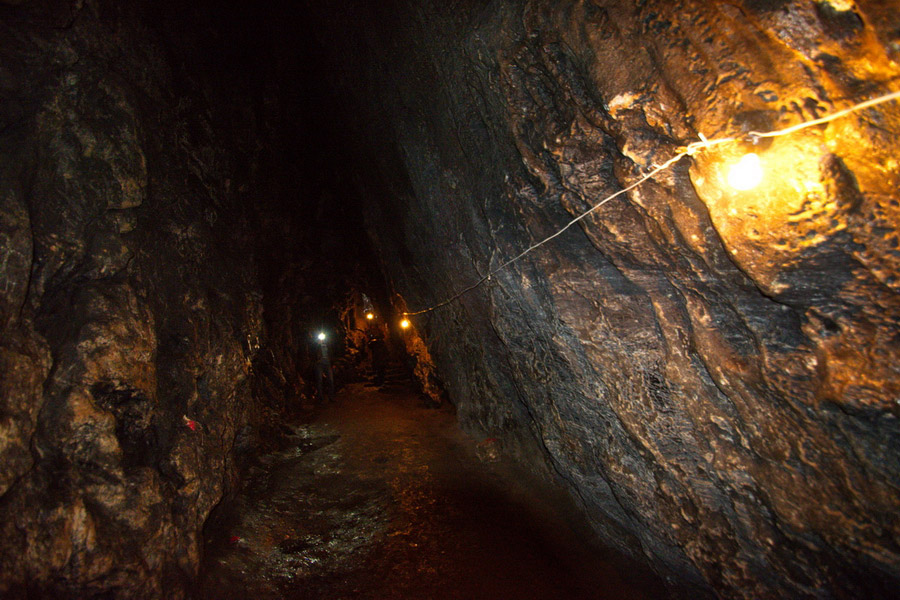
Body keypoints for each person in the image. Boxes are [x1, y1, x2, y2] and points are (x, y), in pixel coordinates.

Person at [315, 334, 335, 402]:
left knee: (330, 381)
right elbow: (313, 352)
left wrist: (332, 363)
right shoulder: (317, 345)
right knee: (319, 380)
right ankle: (320, 398)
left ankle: (331, 397)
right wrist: (318, 344)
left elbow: (331, 353)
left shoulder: (328, 345)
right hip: (319, 364)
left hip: (327, 364)